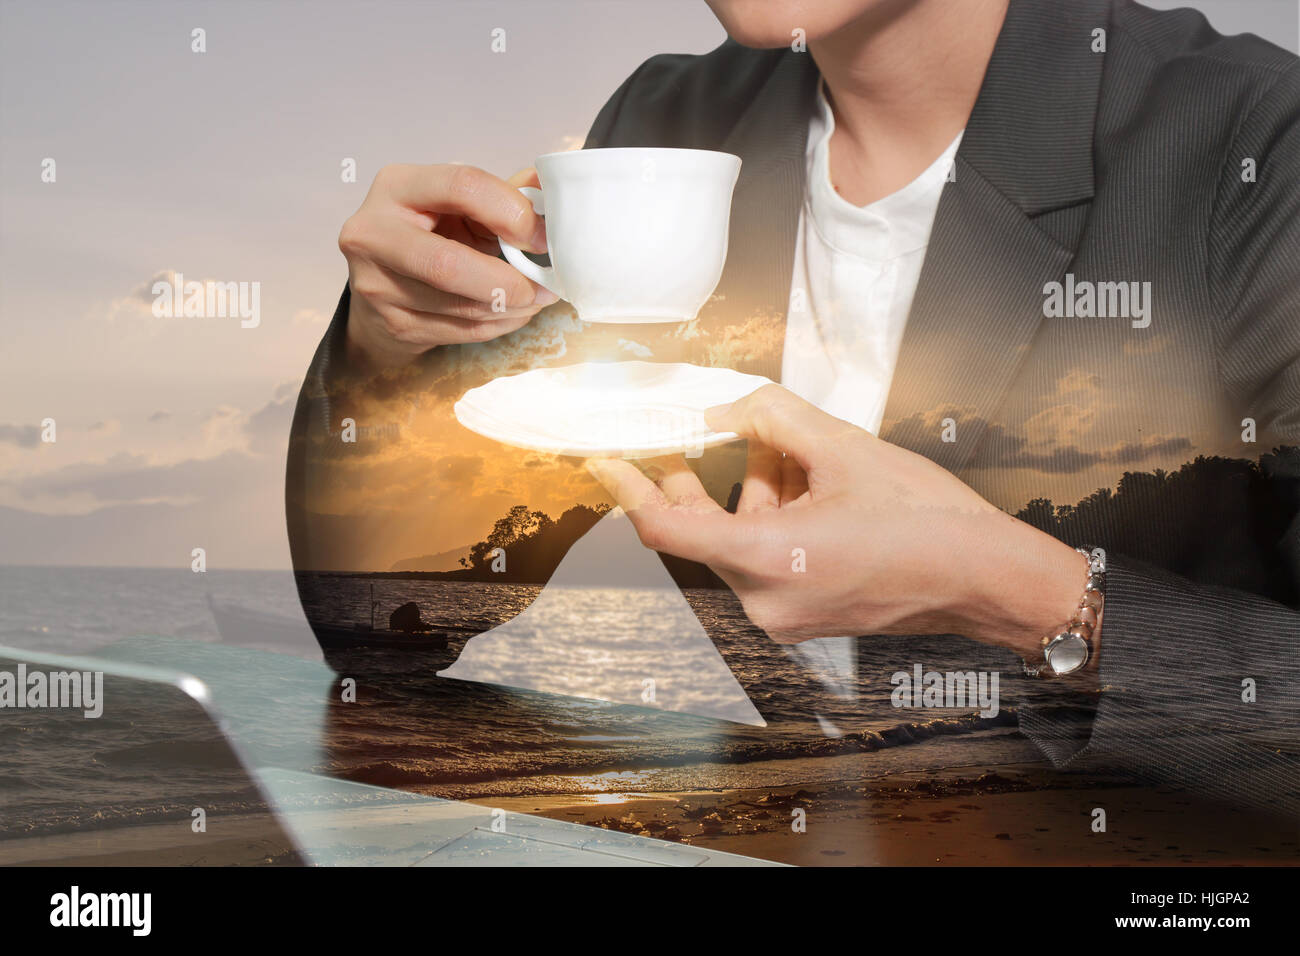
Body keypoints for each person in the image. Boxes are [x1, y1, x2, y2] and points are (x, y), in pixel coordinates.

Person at [288, 0, 1300, 822]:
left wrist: (1021, 594)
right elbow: (382, 624)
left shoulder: (1256, 142)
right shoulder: (668, 127)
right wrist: (392, 350)